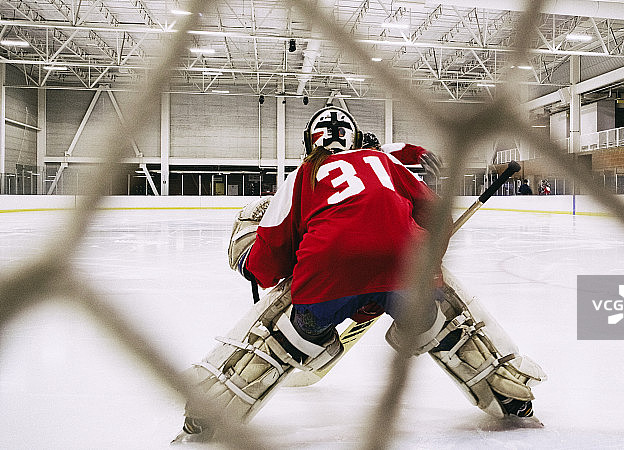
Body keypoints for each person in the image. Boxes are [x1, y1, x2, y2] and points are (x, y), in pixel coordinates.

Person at [173, 106, 545, 443]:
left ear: (309, 143)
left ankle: (211, 412)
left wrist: (265, 268)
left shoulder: (303, 174)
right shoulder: (385, 163)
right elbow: (438, 220)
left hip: (328, 278)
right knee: (444, 319)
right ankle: (509, 397)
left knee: (282, 332)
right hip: (406, 274)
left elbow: (269, 259)